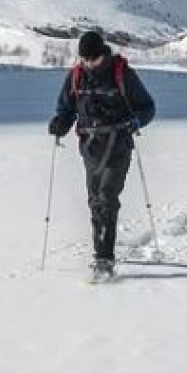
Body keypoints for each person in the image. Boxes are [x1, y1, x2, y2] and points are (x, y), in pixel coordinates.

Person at [48, 30, 156, 279]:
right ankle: (102, 247)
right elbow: (66, 107)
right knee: (95, 200)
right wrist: (60, 123)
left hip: (118, 145)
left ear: (102, 55)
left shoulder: (122, 74)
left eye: (93, 60)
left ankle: (104, 259)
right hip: (90, 148)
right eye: (84, 59)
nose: (88, 64)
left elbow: (148, 107)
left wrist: (135, 122)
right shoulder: (76, 76)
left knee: (106, 198)